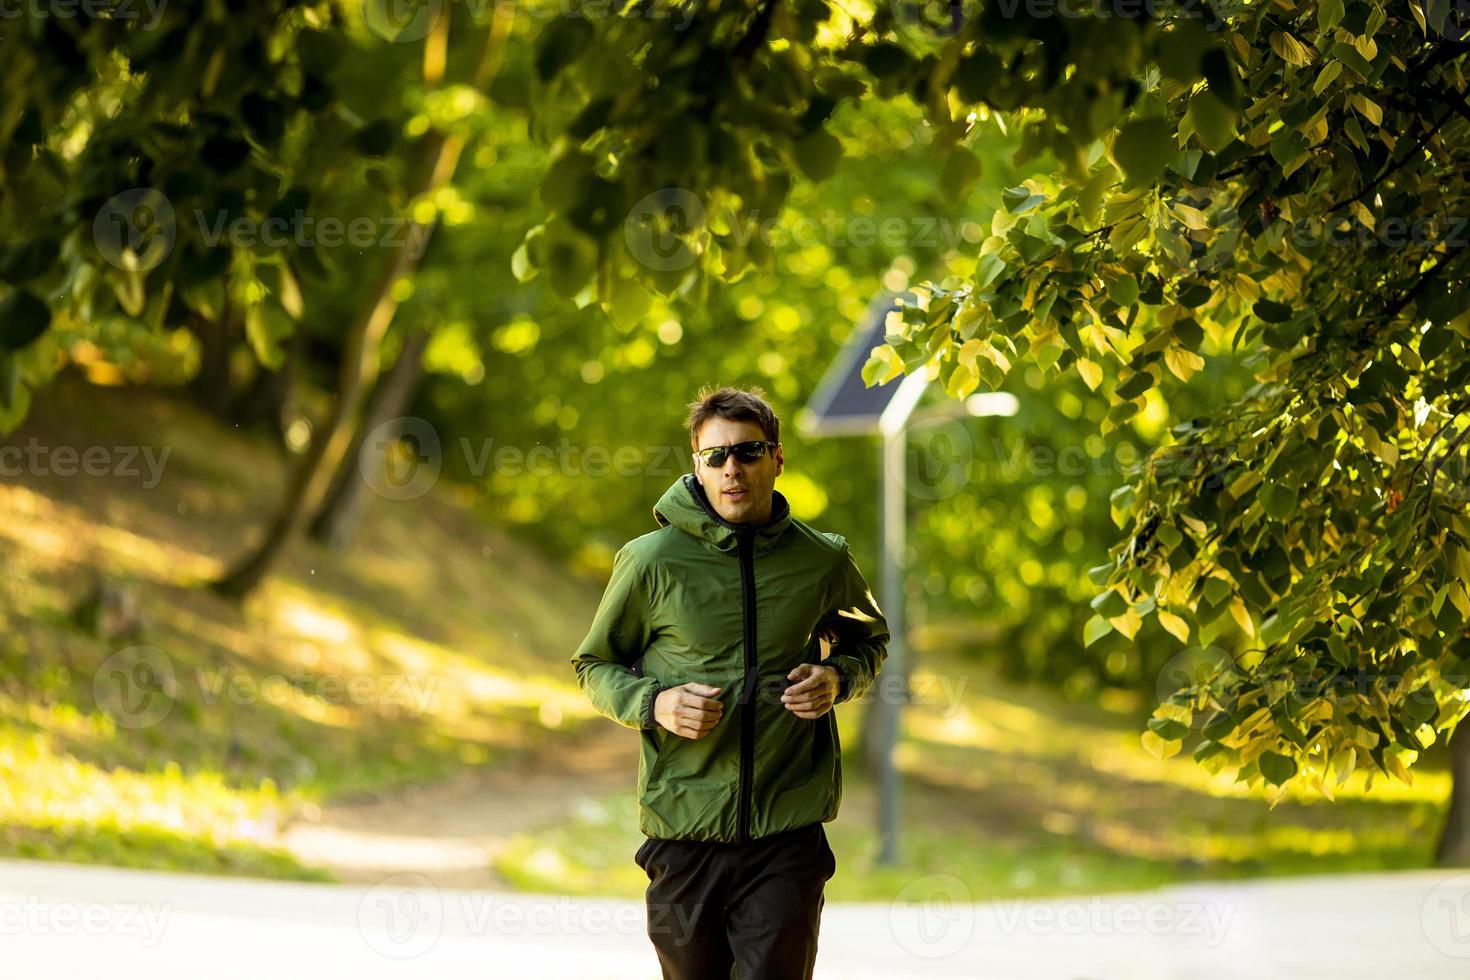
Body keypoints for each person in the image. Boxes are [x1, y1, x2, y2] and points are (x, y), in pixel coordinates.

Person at [570, 384, 890, 980]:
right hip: (683, 829)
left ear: (776, 458)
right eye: (715, 456)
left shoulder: (822, 560)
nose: (731, 469)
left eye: (747, 452)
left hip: (786, 832)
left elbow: (868, 640)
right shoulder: (650, 561)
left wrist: (837, 678)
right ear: (696, 465)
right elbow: (595, 666)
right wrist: (654, 702)